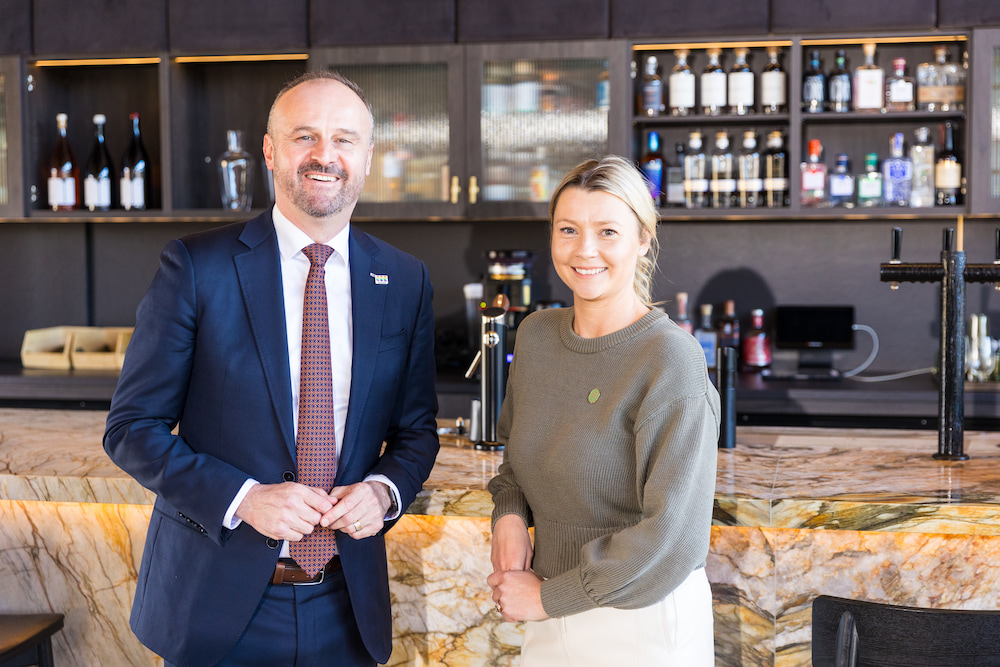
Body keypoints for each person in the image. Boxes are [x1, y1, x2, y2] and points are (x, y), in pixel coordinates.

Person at [104, 70, 440, 667]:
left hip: (346, 605)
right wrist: (245, 497)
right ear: (270, 149)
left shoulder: (405, 279)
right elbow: (132, 428)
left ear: (366, 155)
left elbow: (416, 432)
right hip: (217, 606)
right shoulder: (196, 266)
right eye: (304, 136)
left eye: (343, 139)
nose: (324, 156)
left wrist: (384, 492)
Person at [486, 155, 720, 664]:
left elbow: (673, 537)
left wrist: (548, 598)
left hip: (642, 621)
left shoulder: (669, 358)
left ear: (643, 240)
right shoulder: (537, 336)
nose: (584, 250)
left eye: (607, 231)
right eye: (568, 229)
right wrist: (507, 515)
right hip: (547, 604)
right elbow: (514, 464)